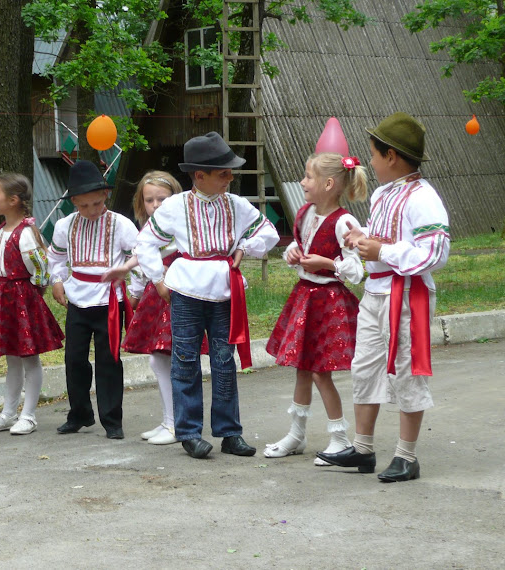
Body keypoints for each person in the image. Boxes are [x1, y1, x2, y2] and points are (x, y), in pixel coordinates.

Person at [317, 112, 450, 482]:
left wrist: (382, 252)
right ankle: (362, 449)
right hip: (375, 294)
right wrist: (361, 238)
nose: (370, 161)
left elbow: (435, 251)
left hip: (407, 296)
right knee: (366, 367)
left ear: (391, 156)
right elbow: (383, 237)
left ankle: (407, 456)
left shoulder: (424, 197)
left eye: (374, 154)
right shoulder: (382, 194)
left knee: (407, 371)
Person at [136, 132, 280, 459]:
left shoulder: (237, 205)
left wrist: (244, 246)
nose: (230, 178)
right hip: (186, 290)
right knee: (185, 358)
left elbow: (268, 232)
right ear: (199, 175)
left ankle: (230, 432)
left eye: (230, 172)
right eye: (223, 173)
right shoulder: (174, 206)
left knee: (223, 359)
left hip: (225, 291)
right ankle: (188, 432)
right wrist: (158, 279)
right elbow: (145, 242)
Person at [264, 152, 367, 464]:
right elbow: (299, 245)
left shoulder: (345, 222)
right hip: (304, 297)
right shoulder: (305, 213)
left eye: (308, 177)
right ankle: (297, 434)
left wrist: (328, 263)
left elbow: (356, 271)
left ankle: (339, 438)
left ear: (329, 183)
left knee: (321, 373)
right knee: (303, 369)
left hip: (328, 303)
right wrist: (293, 255)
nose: (302, 182)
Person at [47, 160, 139, 440]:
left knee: (108, 359)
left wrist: (130, 280)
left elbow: (141, 255)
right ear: (74, 201)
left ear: (105, 196)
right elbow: (56, 256)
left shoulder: (121, 224)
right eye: (84, 205)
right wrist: (57, 280)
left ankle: (112, 420)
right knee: (74, 358)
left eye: (96, 204)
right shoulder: (65, 225)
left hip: (108, 301)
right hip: (77, 299)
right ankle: (79, 414)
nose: (91, 211)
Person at [0, 173, 64, 435]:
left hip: (20, 299)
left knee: (28, 357)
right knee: (12, 359)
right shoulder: (0, 230)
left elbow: (41, 268)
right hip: (0, 298)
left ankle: (28, 415)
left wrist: (34, 292)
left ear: (13, 200)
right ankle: (8, 413)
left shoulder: (25, 234)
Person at [103, 171, 183, 445]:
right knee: (157, 359)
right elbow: (140, 266)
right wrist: (134, 295)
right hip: (154, 296)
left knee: (171, 360)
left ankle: (178, 423)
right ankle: (169, 420)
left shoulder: (179, 228)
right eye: (149, 200)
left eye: (162, 198)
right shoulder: (146, 231)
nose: (156, 205)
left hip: (175, 293)